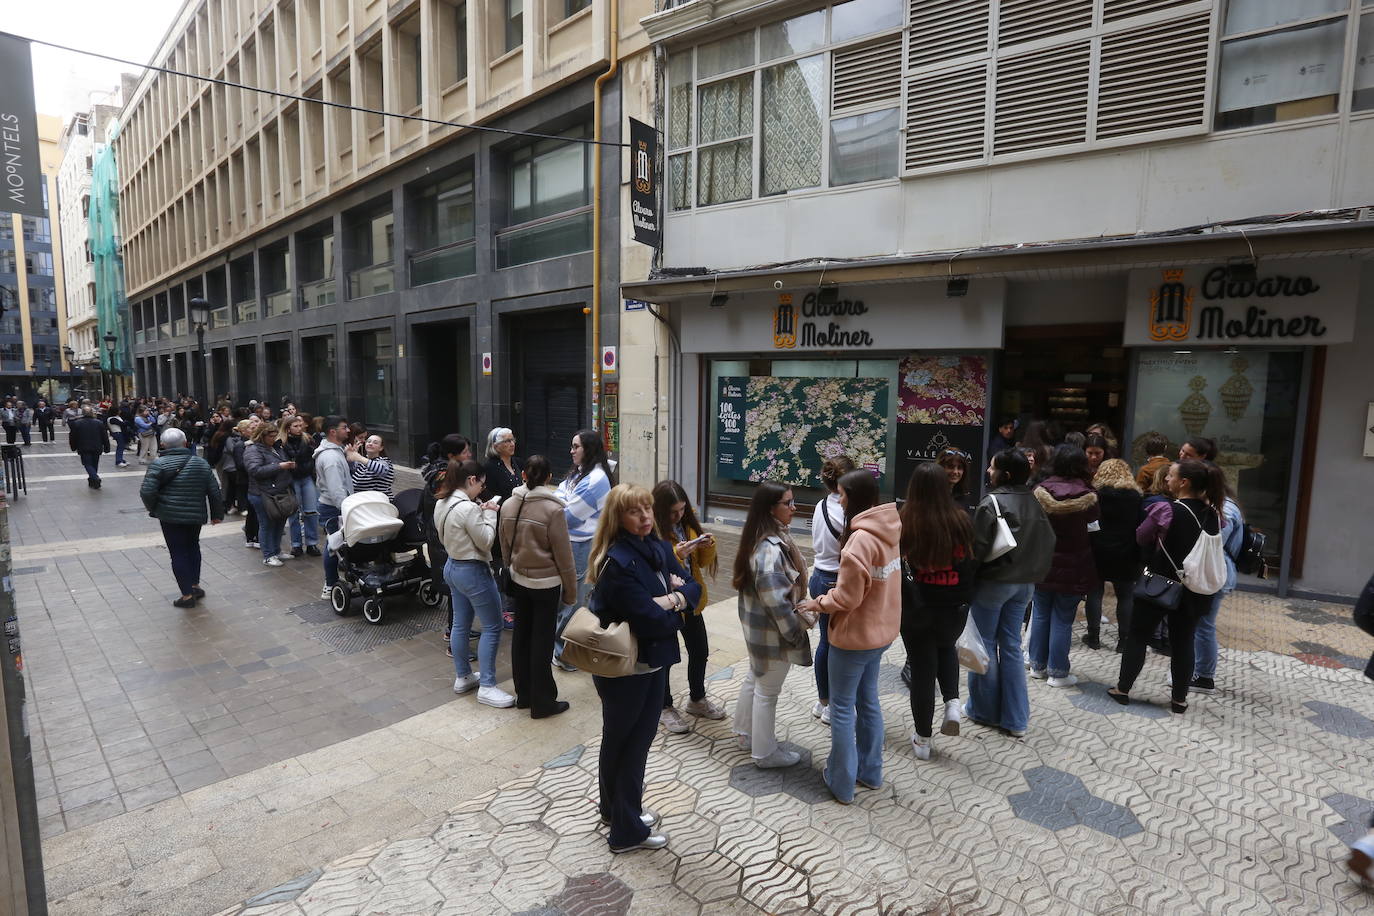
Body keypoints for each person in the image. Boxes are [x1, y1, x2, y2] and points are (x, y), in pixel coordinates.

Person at [586, 484, 697, 853]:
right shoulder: (618, 563)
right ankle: (626, 831)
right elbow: (653, 621)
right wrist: (674, 603)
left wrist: (672, 598)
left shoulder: (657, 549)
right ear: (619, 517)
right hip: (627, 668)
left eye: (648, 509)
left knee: (624, 741)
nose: (646, 516)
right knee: (629, 744)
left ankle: (616, 809)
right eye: (636, 511)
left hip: (651, 663)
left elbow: (694, 589)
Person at [797, 469, 901, 805]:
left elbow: (847, 598)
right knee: (868, 700)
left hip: (855, 637)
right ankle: (870, 772)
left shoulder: (859, 540)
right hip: (882, 633)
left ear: (854, 497)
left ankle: (841, 783)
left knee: (842, 708)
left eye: (842, 495)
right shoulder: (890, 528)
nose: (838, 500)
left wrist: (817, 602)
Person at [1109, 460, 1226, 714]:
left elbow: (1141, 536)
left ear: (1184, 482)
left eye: (1171, 476)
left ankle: (1123, 689)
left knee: (1138, 635)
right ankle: (1179, 700)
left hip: (1160, 583)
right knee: (1184, 642)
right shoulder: (1214, 514)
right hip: (1194, 588)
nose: (1167, 480)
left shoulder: (1166, 510)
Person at [964, 449, 1055, 737]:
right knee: (1012, 646)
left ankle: (983, 710)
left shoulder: (991, 502)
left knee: (985, 645)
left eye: (992, 468)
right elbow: (1049, 540)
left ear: (1004, 473)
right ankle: (1016, 720)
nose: (988, 472)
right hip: (1026, 584)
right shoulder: (1035, 500)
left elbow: (976, 550)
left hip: (994, 582)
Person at [899, 462, 979, 760]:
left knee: (922, 672)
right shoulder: (961, 519)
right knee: (946, 647)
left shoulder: (905, 520)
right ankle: (953, 704)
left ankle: (922, 740)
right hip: (954, 606)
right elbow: (973, 563)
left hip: (917, 607)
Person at [731, 482, 812, 768]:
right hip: (772, 635)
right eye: (787, 503)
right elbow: (777, 603)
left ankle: (745, 734)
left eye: (793, 502)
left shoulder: (762, 537)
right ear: (770, 509)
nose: (794, 508)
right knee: (767, 692)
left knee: (755, 679)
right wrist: (795, 634)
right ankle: (765, 753)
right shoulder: (770, 548)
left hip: (759, 633)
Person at [499, 455, 577, 718]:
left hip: (519, 578)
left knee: (521, 637)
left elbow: (504, 545)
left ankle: (523, 695)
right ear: (548, 477)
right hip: (546, 584)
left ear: (523, 475)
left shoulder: (509, 504)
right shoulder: (553, 510)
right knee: (541, 642)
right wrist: (570, 590)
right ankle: (543, 702)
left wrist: (512, 566)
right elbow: (564, 556)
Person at [435, 459, 514, 708]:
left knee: (460, 623)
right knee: (492, 626)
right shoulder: (467, 508)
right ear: (471, 480)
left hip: (452, 566)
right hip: (473, 570)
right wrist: (490, 513)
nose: (482, 489)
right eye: (481, 484)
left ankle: (463, 676)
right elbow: (486, 541)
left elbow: (451, 532)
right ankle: (488, 686)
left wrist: (479, 514)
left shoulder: (442, 502)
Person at [653, 480, 724, 731]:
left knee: (699, 651)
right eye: (673, 512)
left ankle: (697, 699)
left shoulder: (687, 522)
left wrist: (707, 545)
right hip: (664, 602)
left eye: (682, 509)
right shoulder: (651, 527)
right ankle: (664, 706)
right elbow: (650, 565)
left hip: (690, 598)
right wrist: (676, 554)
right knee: (666, 657)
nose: (679, 515)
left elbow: (702, 563)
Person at [1027, 445, 1100, 688]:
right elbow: (1093, 521)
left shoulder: (1040, 490)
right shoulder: (1088, 494)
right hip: (1075, 563)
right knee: (1063, 618)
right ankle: (1058, 673)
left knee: (1040, 613)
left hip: (1043, 561)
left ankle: (1037, 666)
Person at [140, 428, 225, 607]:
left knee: (177, 552)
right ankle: (195, 585)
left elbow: (147, 492)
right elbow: (214, 491)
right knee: (193, 546)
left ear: (162, 444)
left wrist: (154, 508)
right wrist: (217, 514)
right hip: (195, 515)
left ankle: (187, 596)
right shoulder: (200, 463)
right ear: (185, 443)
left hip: (169, 517)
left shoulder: (158, 464)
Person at [553, 429, 616, 671]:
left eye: (575, 447)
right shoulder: (581, 473)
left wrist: (563, 501)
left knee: (574, 602)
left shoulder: (595, 480)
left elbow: (567, 516)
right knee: (570, 599)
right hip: (573, 544)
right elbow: (559, 492)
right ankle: (563, 650)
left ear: (588, 449)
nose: (571, 451)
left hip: (581, 546)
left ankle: (565, 654)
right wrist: (564, 500)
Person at [809, 455, 855, 726]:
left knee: (825, 642)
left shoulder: (821, 505)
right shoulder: (847, 511)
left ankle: (822, 700)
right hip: (836, 580)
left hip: (818, 576)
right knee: (837, 645)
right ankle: (832, 705)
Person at [421, 434, 475, 653]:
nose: (469, 455)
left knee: (458, 593)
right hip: (445, 542)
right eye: (465, 452)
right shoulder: (445, 479)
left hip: (442, 540)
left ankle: (455, 631)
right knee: (457, 593)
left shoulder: (442, 473)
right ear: (452, 456)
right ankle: (455, 640)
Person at [1190, 482, 1244, 694]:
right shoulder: (1222, 505)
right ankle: (1199, 672)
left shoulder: (1225, 509)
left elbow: (1215, 542)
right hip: (1214, 572)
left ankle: (1204, 677)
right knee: (1201, 624)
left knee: (1204, 625)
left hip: (1215, 573)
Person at [1085, 458, 1144, 652]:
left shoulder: (1096, 495)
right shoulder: (1135, 497)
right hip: (1126, 552)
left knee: (1094, 593)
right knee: (1126, 596)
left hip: (1098, 550)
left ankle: (1093, 637)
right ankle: (1123, 640)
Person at [484, 427, 524, 630]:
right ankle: (504, 610)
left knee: (514, 564)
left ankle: (514, 605)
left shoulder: (516, 463)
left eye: (512, 439)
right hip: (501, 522)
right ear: (496, 446)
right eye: (506, 441)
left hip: (517, 522)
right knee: (501, 565)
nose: (511, 444)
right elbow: (487, 495)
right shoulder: (490, 467)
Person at [242, 422, 295, 567]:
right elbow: (255, 470)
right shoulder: (253, 450)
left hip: (278, 492)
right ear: (262, 436)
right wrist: (279, 466)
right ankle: (268, 555)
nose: (274, 438)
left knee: (279, 523)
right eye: (271, 436)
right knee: (267, 524)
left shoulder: (275, 448)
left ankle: (276, 551)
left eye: (275, 435)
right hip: (262, 493)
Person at [314, 416, 354, 600]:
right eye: (344, 427)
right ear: (333, 431)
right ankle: (330, 584)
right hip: (334, 508)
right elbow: (336, 489)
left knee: (335, 544)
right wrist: (346, 511)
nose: (348, 431)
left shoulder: (334, 452)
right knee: (334, 545)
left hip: (334, 506)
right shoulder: (330, 457)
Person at [279, 416, 321, 557]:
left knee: (311, 511)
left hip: (306, 477)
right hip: (292, 479)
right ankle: (296, 545)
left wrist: (308, 469)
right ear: (288, 428)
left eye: (300, 425)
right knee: (293, 513)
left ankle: (312, 543)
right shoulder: (282, 442)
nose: (299, 428)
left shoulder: (307, 439)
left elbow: (313, 458)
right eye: (295, 426)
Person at [68, 405, 111, 489]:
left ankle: (95, 478)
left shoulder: (77, 423)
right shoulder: (99, 423)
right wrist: (107, 447)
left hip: (84, 447)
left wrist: (73, 446)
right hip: (97, 447)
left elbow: (73, 436)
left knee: (87, 464)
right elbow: (104, 436)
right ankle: (93, 481)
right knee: (94, 464)